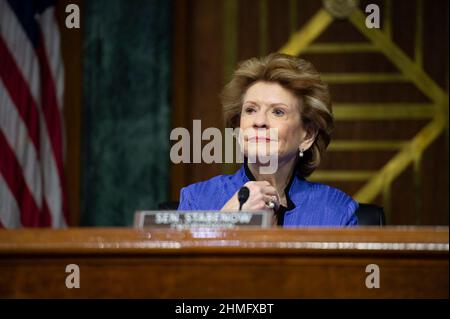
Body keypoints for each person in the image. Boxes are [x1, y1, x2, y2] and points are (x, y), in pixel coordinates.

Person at [178, 53, 358, 226]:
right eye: (250, 110)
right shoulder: (196, 199)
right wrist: (224, 222)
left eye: (278, 112)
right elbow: (183, 258)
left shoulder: (337, 211)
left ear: (307, 135)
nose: (259, 122)